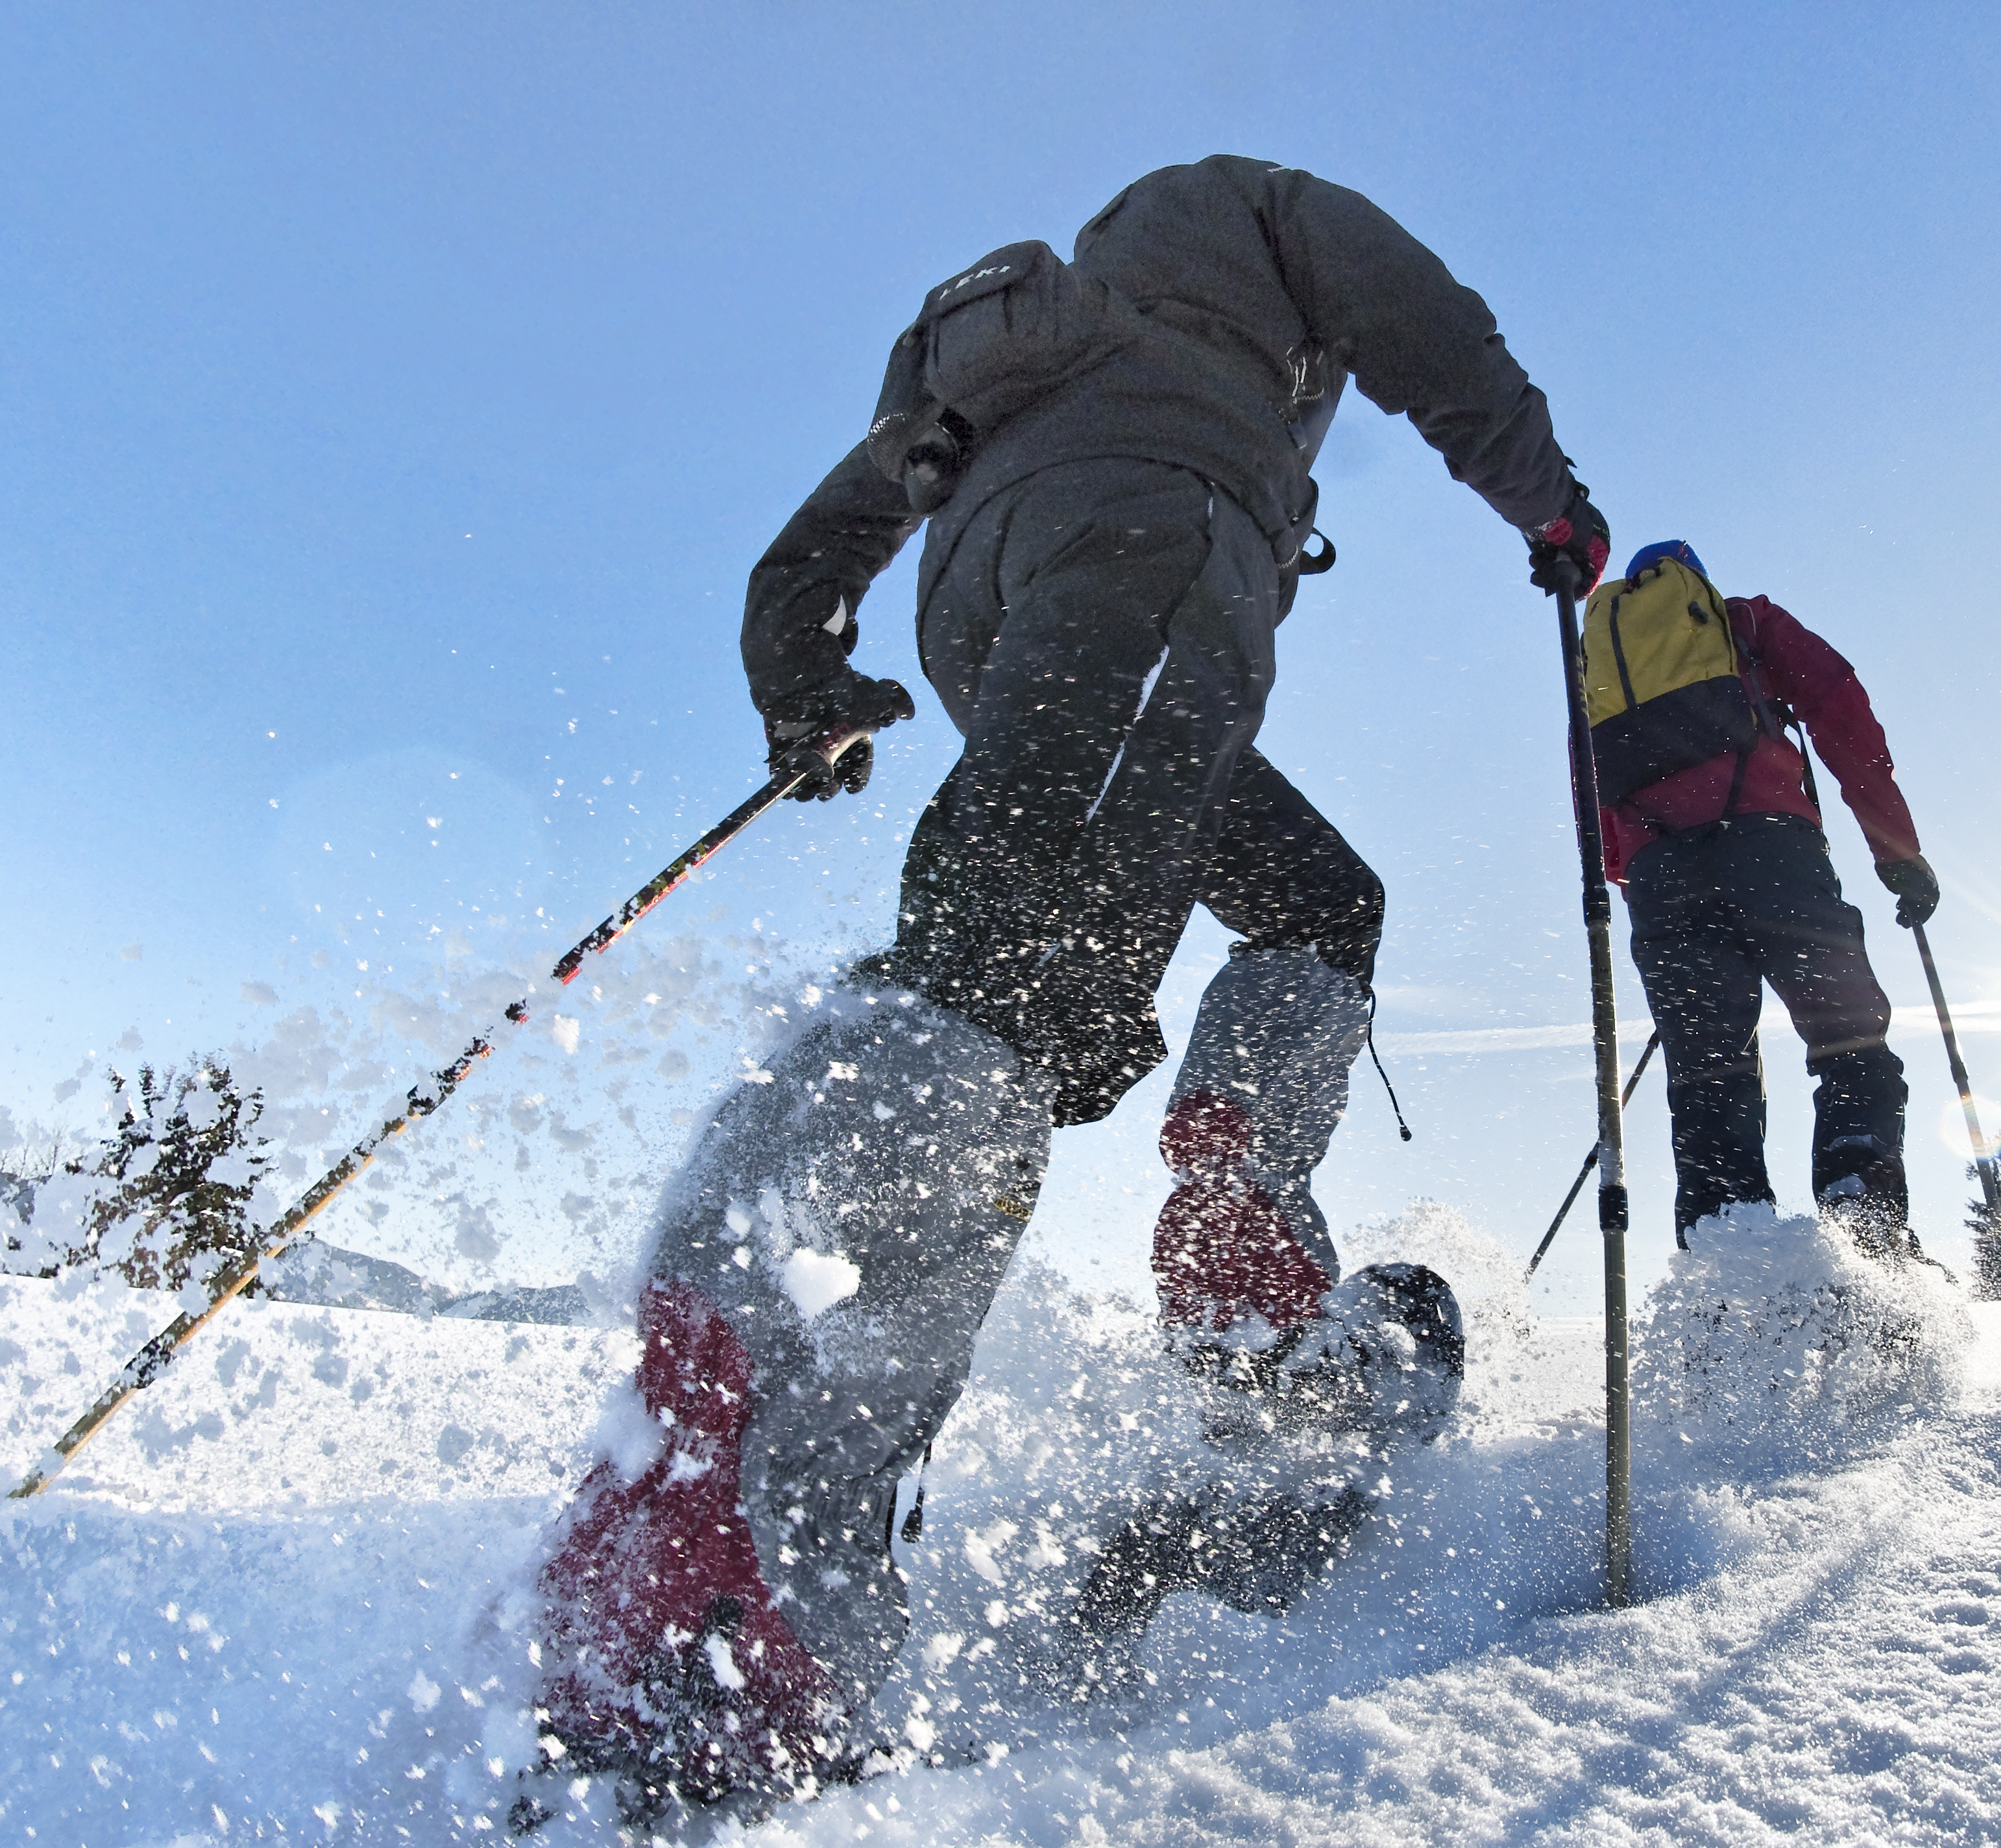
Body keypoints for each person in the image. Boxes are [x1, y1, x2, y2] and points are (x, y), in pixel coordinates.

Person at [516, 156, 1606, 1825]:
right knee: (1001, 985)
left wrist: (805, 678)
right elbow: (1417, 314)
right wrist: (1547, 502)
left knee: (1309, 899)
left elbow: (816, 543)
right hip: (1158, 544)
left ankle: (1234, 1227)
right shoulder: (1251, 212)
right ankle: (718, 1532)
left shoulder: (1023, 342)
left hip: (996, 602)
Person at [1586, 541, 1935, 1249]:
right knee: (1848, 1033)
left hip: (1662, 881)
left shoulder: (1600, 668)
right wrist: (1897, 850)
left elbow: (1590, 790)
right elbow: (1841, 714)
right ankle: (1862, 1223)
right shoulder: (1745, 623)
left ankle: (1728, 1254)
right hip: (1774, 852)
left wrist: (1648, 896)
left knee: (1708, 1076)